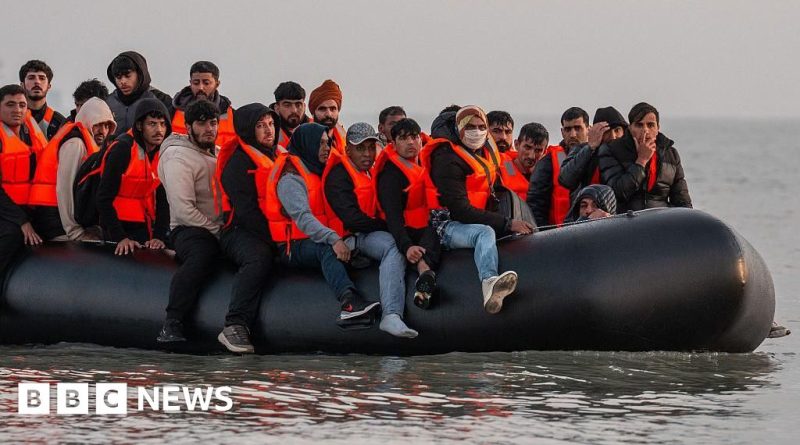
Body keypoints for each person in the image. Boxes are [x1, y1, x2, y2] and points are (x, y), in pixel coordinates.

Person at [422, 106, 534, 314]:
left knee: (488, 229)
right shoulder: (447, 159)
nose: (477, 131)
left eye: (482, 127)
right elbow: (460, 211)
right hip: (446, 225)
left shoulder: (483, 152)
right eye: (470, 127)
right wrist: (507, 224)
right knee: (484, 233)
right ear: (459, 129)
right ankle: (489, 282)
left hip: (473, 218)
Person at [266, 123, 380, 324]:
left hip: (314, 238)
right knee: (326, 250)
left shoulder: (317, 170)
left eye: (328, 143)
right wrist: (334, 239)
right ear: (308, 144)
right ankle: (349, 303)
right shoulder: (290, 178)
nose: (327, 148)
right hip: (291, 247)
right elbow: (303, 218)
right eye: (320, 144)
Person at [324, 122, 417, 338]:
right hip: (350, 238)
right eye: (360, 148)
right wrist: (390, 227)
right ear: (348, 150)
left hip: (369, 232)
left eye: (371, 147)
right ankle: (391, 314)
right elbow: (353, 220)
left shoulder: (370, 172)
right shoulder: (339, 175)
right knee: (393, 246)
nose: (367, 154)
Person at [156, 100, 224, 344]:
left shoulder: (217, 152)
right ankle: (172, 322)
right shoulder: (177, 157)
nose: (209, 129)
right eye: (202, 124)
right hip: (189, 229)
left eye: (213, 123)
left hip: (220, 226)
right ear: (188, 127)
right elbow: (183, 209)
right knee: (201, 256)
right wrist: (217, 232)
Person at [216, 103, 280, 353]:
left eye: (271, 124)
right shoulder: (237, 164)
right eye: (261, 126)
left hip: (272, 230)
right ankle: (234, 324)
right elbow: (247, 212)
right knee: (258, 257)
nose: (268, 130)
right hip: (238, 231)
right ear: (247, 129)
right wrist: (275, 241)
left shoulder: (277, 155)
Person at [374, 118, 440, 309]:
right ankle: (423, 271)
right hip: (399, 229)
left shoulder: (424, 162)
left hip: (423, 225)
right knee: (426, 237)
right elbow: (393, 217)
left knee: (433, 233)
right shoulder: (391, 175)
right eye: (403, 138)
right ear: (393, 144)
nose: (410, 142)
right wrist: (406, 246)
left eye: (414, 137)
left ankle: (424, 279)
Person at [29, 97, 116, 241]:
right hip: (53, 216)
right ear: (87, 121)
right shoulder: (75, 144)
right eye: (98, 125)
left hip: (63, 216)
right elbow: (64, 190)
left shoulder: (89, 143)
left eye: (107, 126)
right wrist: (75, 232)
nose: (103, 131)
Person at [96, 98, 171, 254]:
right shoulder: (122, 149)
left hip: (142, 225)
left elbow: (163, 200)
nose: (159, 130)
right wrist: (120, 237)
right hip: (115, 227)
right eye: (152, 124)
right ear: (139, 126)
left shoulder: (162, 153)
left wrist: (159, 237)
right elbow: (103, 198)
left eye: (163, 124)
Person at [598, 102, 692, 211]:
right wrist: (641, 161)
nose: (645, 130)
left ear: (658, 128)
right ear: (630, 128)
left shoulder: (671, 154)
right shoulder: (611, 150)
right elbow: (617, 193)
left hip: (661, 217)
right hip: (626, 217)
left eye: (650, 125)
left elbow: (682, 199)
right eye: (639, 125)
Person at [0, 85, 47, 274]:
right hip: (6, 212)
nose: (17, 110)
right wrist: (22, 221)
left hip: (29, 208)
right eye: (10, 104)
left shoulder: (30, 135)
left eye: (22, 105)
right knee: (12, 235)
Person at [527, 107, 590, 228]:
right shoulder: (548, 162)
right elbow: (536, 205)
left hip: (597, 228)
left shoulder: (598, 156)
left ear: (588, 129)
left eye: (577, 128)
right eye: (568, 129)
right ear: (562, 132)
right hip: (560, 233)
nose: (572, 134)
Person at [559, 106, 627, 198]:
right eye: (606, 131)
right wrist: (590, 147)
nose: (613, 136)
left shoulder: (635, 152)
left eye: (617, 130)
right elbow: (565, 179)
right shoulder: (583, 150)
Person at [106, 51, 174, 137]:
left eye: (127, 76)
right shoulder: (106, 103)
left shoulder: (162, 100)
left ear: (140, 74)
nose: (123, 81)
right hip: (114, 146)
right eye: (118, 77)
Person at [172, 61, 235, 147]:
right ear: (190, 83)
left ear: (217, 84)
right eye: (196, 83)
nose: (200, 88)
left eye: (206, 83)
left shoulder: (232, 116)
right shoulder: (172, 111)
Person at [499, 122, 549, 200]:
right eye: (527, 148)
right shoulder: (499, 171)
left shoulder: (547, 179)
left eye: (538, 150)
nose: (531, 156)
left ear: (544, 152)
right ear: (517, 145)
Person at [19, 60, 66, 141]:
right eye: (31, 78)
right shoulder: (10, 118)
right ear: (22, 85)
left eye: (42, 78)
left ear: (48, 86)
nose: (37, 82)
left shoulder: (60, 123)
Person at [308, 79, 346, 150]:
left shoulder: (347, 142)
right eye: (322, 109)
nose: (328, 114)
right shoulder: (302, 141)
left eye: (333, 109)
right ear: (313, 113)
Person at [273, 81, 312, 149]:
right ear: (277, 108)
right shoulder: (266, 132)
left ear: (304, 107)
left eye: (298, 105)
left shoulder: (317, 129)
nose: (294, 110)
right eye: (287, 105)